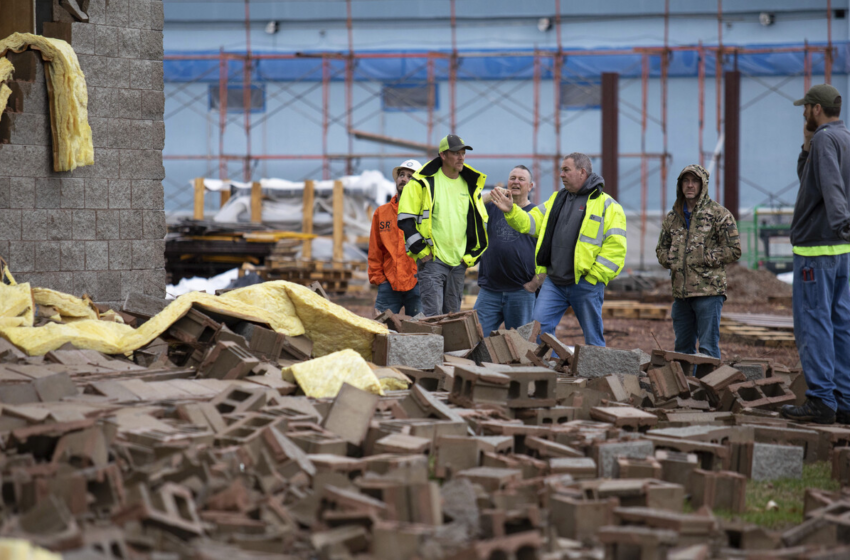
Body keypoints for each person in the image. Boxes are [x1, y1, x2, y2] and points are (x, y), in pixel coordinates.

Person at [490, 153, 626, 346]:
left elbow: (616, 249)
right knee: (538, 332)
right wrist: (512, 211)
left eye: (566, 170)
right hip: (554, 283)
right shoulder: (557, 200)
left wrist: (593, 277)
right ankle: (554, 368)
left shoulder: (608, 205)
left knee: (593, 339)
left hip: (585, 283)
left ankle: (597, 375)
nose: (561, 174)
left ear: (582, 172)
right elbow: (531, 222)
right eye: (561, 169)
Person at [780, 84, 850, 425]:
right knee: (841, 323)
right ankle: (845, 400)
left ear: (816, 109)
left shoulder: (825, 140)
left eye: (805, 109)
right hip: (841, 252)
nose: (803, 114)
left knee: (813, 323)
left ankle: (821, 399)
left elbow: (831, 185)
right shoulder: (843, 137)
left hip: (818, 248)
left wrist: (842, 222)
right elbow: (811, 178)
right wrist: (806, 146)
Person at [655, 164, 741, 366]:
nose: (690, 185)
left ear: (703, 185)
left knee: (707, 349)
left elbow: (734, 250)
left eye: (695, 181)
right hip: (681, 295)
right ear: (680, 185)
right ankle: (685, 394)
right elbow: (661, 248)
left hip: (708, 293)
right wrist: (669, 259)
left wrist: (704, 256)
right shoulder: (672, 217)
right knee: (682, 350)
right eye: (686, 181)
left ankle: (708, 393)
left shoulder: (719, 214)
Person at [398, 135, 489, 316]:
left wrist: (469, 257)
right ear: (443, 155)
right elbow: (405, 220)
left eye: (463, 153)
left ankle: (450, 346)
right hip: (432, 261)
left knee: (452, 317)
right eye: (456, 153)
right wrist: (422, 252)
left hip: (459, 263)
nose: (461, 157)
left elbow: (480, 222)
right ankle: (434, 346)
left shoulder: (470, 185)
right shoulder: (421, 183)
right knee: (433, 318)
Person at [474, 165, 540, 335]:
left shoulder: (537, 214)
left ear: (530, 186)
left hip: (521, 291)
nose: (516, 182)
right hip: (490, 290)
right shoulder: (492, 208)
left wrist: (535, 283)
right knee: (476, 337)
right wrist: (492, 195)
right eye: (512, 178)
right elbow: (469, 205)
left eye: (521, 179)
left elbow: (549, 252)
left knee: (521, 344)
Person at [368, 159, 423, 316]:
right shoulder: (382, 213)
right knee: (382, 333)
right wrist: (379, 279)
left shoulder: (425, 212)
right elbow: (375, 250)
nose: (404, 179)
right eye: (401, 175)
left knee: (422, 334)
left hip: (418, 284)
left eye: (410, 176)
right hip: (389, 284)